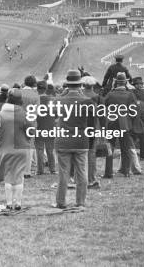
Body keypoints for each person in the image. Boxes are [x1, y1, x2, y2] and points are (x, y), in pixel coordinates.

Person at [53, 70, 95, 211]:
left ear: (67, 84)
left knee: (63, 173)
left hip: (63, 140)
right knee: (82, 172)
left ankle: (61, 201)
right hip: (80, 141)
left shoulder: (59, 100)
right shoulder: (86, 101)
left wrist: (62, 95)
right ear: (80, 84)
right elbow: (92, 119)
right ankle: (80, 202)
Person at [0, 88, 30, 210]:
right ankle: (18, 203)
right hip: (22, 149)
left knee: (8, 176)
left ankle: (8, 203)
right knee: (19, 177)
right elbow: (31, 131)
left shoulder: (2, 114)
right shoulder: (24, 113)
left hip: (6, 148)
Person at [103, 73, 141, 177]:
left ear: (116, 82)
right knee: (125, 148)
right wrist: (131, 122)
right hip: (125, 124)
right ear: (125, 82)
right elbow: (134, 112)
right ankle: (126, 171)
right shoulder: (130, 95)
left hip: (112, 123)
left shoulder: (110, 94)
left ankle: (108, 172)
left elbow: (102, 106)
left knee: (110, 148)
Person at [35, 80, 56, 175]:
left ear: (37, 89)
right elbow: (56, 113)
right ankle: (52, 169)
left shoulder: (35, 100)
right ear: (45, 89)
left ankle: (40, 170)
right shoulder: (51, 99)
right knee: (50, 149)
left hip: (39, 126)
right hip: (50, 126)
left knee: (39, 149)